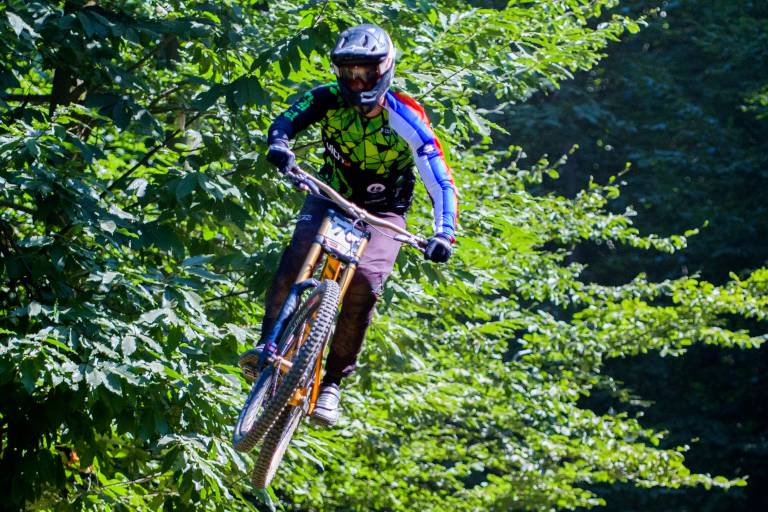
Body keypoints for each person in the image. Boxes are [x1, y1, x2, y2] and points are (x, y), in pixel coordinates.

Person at [252, 23, 457, 426]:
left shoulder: (407, 116)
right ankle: (267, 347)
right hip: (330, 193)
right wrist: (279, 145)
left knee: (364, 281)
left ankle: (331, 384)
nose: (356, 81)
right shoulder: (326, 99)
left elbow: (440, 180)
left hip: (385, 212)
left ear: (385, 70)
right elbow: (286, 121)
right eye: (348, 73)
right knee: (297, 256)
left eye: (365, 73)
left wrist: (444, 233)